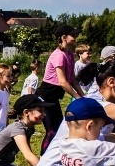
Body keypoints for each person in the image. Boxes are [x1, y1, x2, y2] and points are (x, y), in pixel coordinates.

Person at [35, 25, 85, 154]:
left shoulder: (69, 54)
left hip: (54, 97)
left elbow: (72, 79)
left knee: (58, 129)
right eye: (72, 35)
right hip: (46, 95)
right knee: (51, 130)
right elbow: (62, 82)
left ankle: (53, 157)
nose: (75, 38)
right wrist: (78, 98)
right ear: (64, 37)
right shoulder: (59, 55)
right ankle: (41, 163)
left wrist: (83, 96)